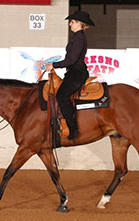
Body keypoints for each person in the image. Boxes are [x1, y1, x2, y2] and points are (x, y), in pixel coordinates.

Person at [45, 10, 95, 140]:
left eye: (72, 22)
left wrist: (53, 65)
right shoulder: (78, 37)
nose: (70, 24)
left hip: (77, 73)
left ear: (79, 23)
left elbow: (71, 60)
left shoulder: (79, 38)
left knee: (62, 95)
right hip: (73, 72)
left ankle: (73, 128)